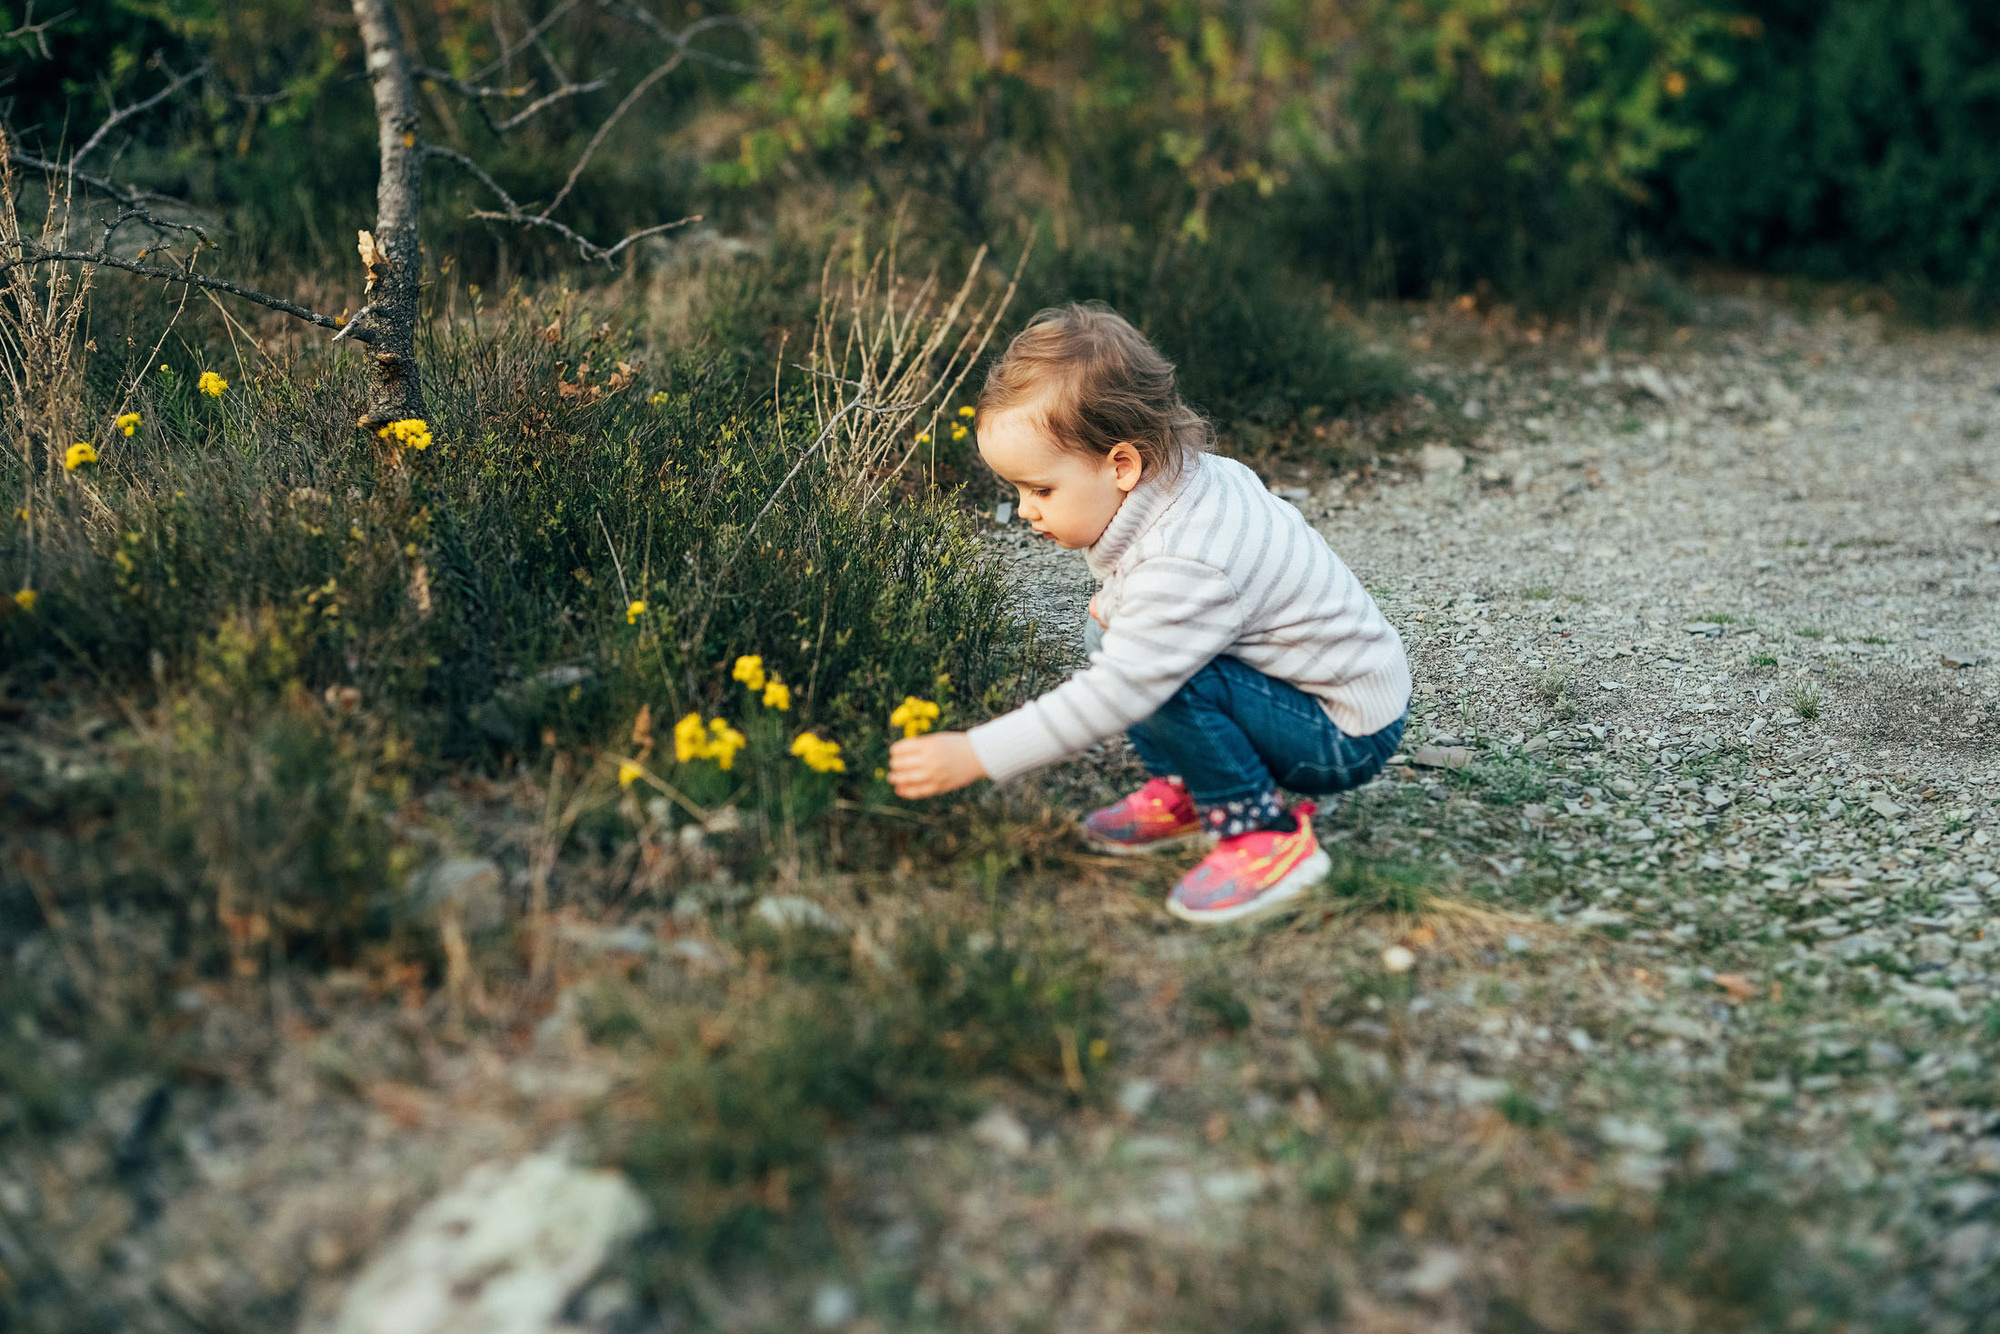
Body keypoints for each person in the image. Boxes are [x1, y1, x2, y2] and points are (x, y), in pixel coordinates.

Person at [887, 303, 1410, 924]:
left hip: (1341, 733)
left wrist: (978, 754)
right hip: (1312, 691)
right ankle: (1199, 788)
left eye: (1041, 490)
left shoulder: (1189, 557)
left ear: (1122, 466)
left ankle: (1262, 833)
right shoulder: (1186, 478)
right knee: (1114, 629)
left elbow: (1119, 692)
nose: (1025, 511)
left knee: (1152, 675)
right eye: (1017, 492)